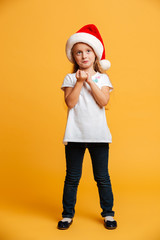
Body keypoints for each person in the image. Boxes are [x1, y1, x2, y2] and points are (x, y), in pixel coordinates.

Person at [57, 24, 117, 230]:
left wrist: (90, 82)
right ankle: (67, 215)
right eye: (78, 52)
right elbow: (71, 103)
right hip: (75, 135)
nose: (84, 56)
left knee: (102, 177)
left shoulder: (103, 78)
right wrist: (80, 83)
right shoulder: (70, 78)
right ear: (74, 57)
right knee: (72, 177)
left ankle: (108, 214)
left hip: (99, 136)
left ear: (95, 54)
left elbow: (103, 101)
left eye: (88, 51)